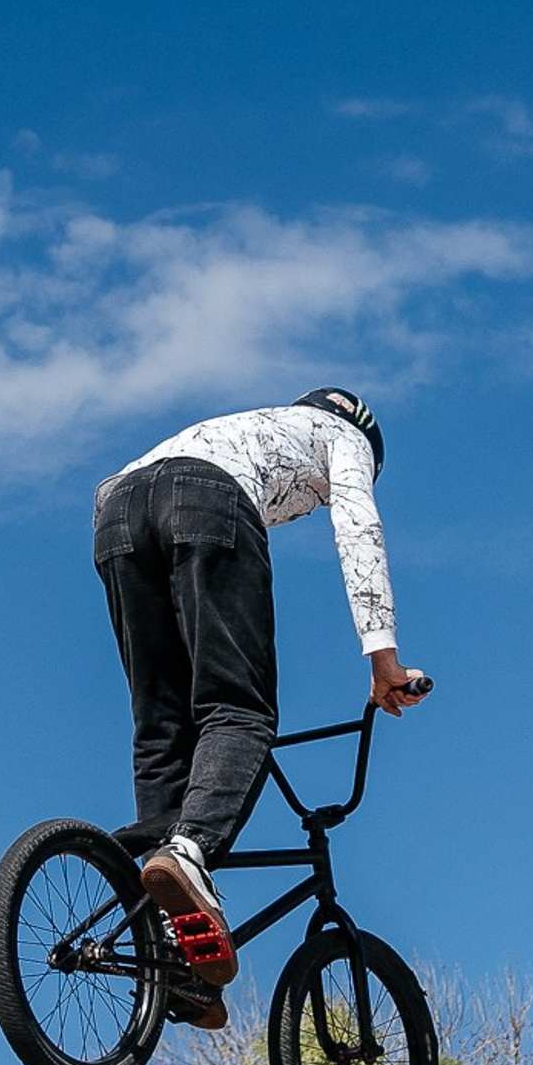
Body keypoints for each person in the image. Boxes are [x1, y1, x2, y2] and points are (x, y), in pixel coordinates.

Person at [93, 389, 426, 1024]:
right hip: (205, 500)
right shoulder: (344, 436)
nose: (312, 508)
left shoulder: (244, 426)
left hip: (116, 514)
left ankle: (171, 944)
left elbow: (120, 495)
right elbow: (360, 529)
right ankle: (189, 850)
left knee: (163, 724)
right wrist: (384, 661)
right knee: (239, 711)